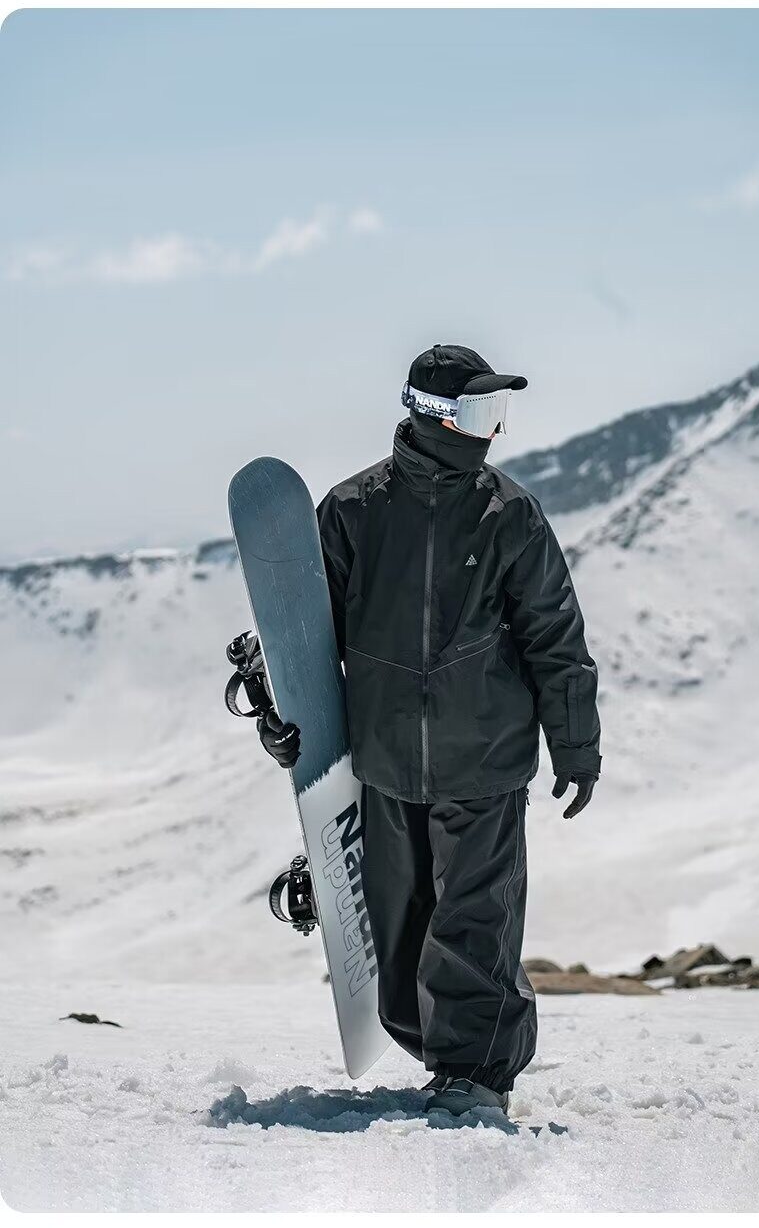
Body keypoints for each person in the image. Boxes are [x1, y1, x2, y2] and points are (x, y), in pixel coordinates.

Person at [259, 343, 601, 1118]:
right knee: (404, 926)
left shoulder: (509, 514)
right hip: (385, 762)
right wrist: (284, 716)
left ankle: (476, 1073)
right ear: (433, 415)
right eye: (482, 413)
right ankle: (440, 1051)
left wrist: (576, 744)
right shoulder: (353, 510)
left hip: (485, 760)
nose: (494, 431)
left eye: (498, 414)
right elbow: (302, 641)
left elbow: (556, 636)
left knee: (476, 918)